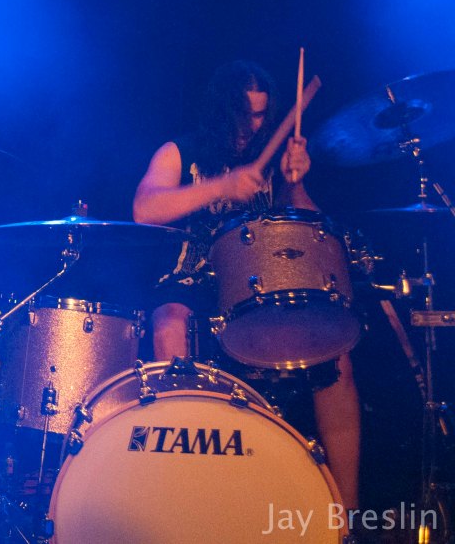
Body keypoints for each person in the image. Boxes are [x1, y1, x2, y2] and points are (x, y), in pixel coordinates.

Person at [132, 60, 360, 511]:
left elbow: (309, 229)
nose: (253, 126)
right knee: (169, 324)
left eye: (261, 115)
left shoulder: (274, 159)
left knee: (335, 351)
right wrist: (222, 186)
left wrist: (296, 184)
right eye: (245, 115)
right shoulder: (181, 151)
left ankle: (348, 513)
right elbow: (144, 209)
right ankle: (186, 494)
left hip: (259, 284)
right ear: (222, 110)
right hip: (192, 279)